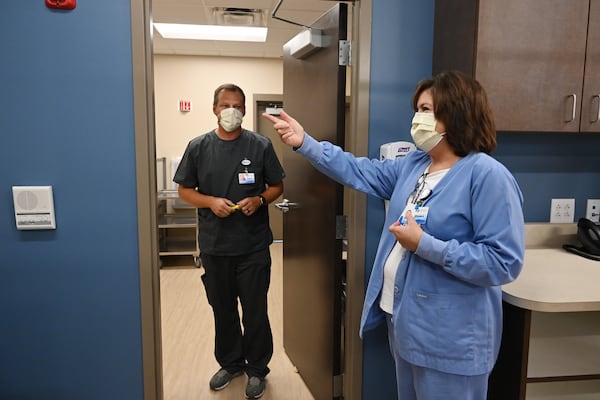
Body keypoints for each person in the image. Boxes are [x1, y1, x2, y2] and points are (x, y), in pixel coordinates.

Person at [263, 70, 525, 400]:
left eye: (427, 109)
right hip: (405, 322)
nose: (418, 118)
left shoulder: (487, 175)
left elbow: (503, 262)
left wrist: (425, 245)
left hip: (451, 337)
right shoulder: (416, 165)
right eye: (417, 109)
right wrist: (305, 143)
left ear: (456, 112)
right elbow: (358, 170)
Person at [174, 83, 285, 399]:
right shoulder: (199, 147)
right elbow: (184, 191)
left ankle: (257, 370)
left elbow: (277, 186)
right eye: (225, 105)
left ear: (245, 111)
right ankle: (231, 364)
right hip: (215, 247)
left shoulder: (260, 146)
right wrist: (210, 202)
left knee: (255, 311)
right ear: (214, 109)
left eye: (237, 106)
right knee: (222, 310)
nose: (231, 111)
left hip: (252, 247)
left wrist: (260, 201)